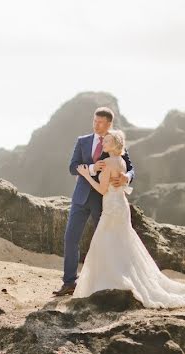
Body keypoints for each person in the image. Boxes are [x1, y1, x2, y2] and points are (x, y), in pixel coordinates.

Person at [71, 129, 185, 307]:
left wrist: (87, 175)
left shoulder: (108, 162)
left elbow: (103, 190)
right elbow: (120, 179)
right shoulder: (120, 161)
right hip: (121, 205)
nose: (104, 142)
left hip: (111, 206)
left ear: (116, 144)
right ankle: (123, 279)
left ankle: (112, 282)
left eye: (108, 140)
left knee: (106, 242)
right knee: (122, 242)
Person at [54, 107, 134, 296]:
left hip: (104, 200)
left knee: (106, 241)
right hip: (81, 198)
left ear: (109, 124)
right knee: (71, 239)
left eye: (100, 122)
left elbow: (130, 168)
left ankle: (108, 281)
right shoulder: (82, 141)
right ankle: (69, 283)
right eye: (94, 121)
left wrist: (126, 178)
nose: (95, 124)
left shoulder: (114, 142)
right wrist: (91, 168)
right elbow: (73, 167)